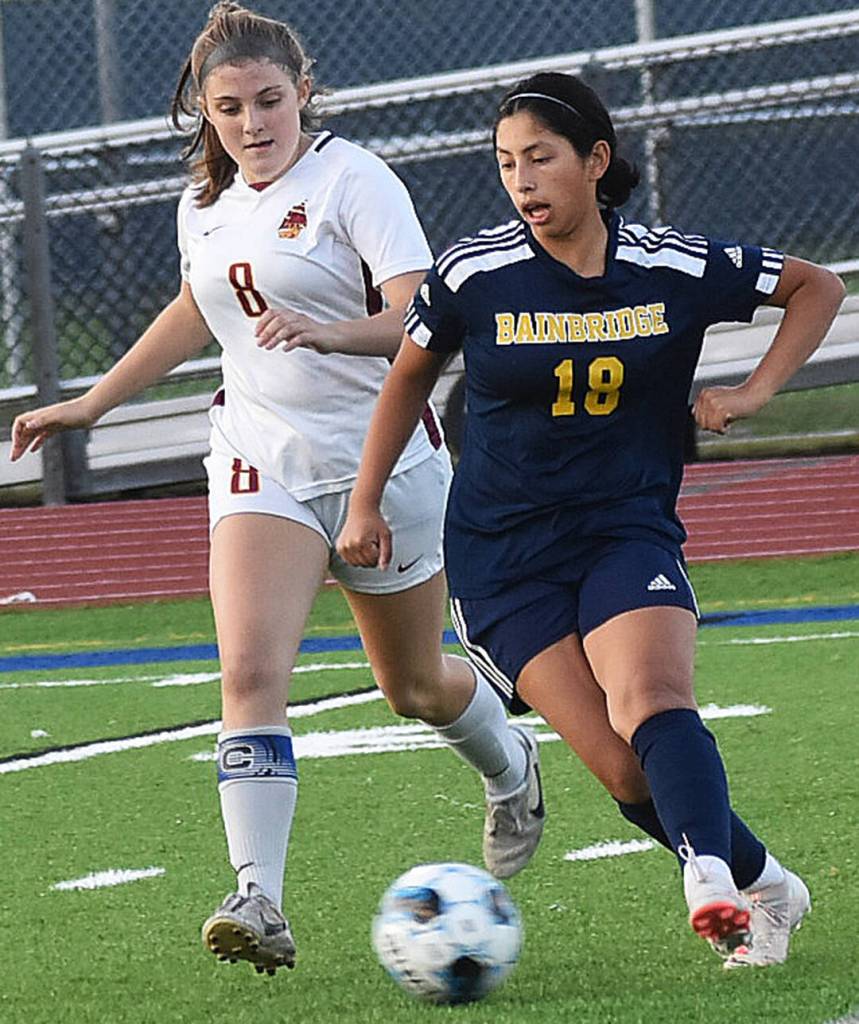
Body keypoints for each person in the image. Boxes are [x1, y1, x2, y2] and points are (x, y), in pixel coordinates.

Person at [8, 2, 546, 977]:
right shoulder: (201, 203)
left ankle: (511, 766)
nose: (252, 123)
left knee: (412, 686)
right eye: (229, 108)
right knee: (250, 673)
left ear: (302, 94)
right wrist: (90, 403)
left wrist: (328, 331)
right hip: (257, 457)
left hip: (380, 467)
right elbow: (191, 310)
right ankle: (258, 894)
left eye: (267, 101)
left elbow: (422, 319)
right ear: (204, 114)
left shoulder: (353, 180)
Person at [337, 71, 845, 969]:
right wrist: (365, 499)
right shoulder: (473, 272)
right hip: (502, 556)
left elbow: (815, 287)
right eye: (505, 165)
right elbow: (408, 376)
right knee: (620, 769)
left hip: (623, 529)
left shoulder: (672, 265)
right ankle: (769, 884)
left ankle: (711, 882)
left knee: (652, 696)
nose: (522, 182)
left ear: (595, 161)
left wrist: (756, 390)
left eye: (540, 158)